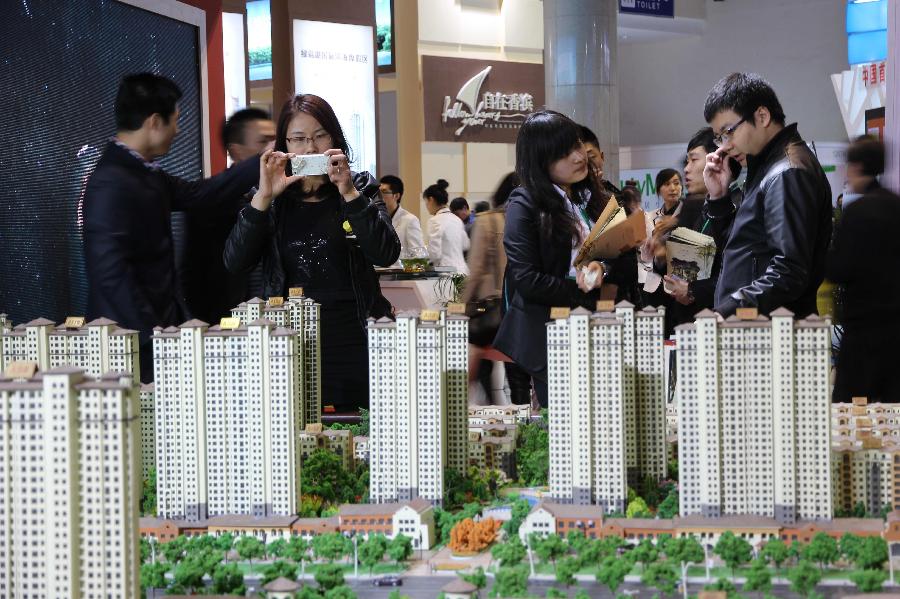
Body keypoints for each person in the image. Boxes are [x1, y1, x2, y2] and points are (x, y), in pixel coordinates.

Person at [223, 93, 400, 412]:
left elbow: (385, 252)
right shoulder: (269, 198)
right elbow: (235, 261)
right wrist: (264, 197)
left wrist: (349, 193)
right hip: (291, 341)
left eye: (320, 136)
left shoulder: (361, 187)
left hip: (354, 338)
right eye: (299, 139)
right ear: (284, 145)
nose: (311, 148)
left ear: (335, 139)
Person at [83, 73, 259, 383]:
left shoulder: (142, 171)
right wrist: (153, 336)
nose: (177, 131)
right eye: (175, 121)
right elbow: (110, 273)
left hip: (155, 336)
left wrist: (262, 162)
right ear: (154, 121)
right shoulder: (111, 180)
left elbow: (200, 195)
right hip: (130, 348)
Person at [494, 110, 633, 407]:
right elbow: (527, 279)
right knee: (564, 426)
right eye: (564, 153)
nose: (578, 156)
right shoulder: (524, 203)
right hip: (551, 335)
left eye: (577, 145)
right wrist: (581, 290)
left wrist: (602, 268)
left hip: (592, 328)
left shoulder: (589, 197)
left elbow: (614, 252)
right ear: (540, 161)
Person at [704, 72, 832, 317]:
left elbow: (788, 272)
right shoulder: (767, 168)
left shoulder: (787, 173)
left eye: (728, 131)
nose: (724, 145)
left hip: (772, 336)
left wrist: (726, 313)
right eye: (719, 137)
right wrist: (719, 198)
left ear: (762, 116)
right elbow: (742, 252)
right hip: (760, 332)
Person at [184, 108, 276, 324]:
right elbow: (194, 275)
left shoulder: (287, 194)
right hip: (231, 323)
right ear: (236, 151)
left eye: (275, 140)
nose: (273, 148)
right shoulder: (210, 203)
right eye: (263, 141)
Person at [827, 136, 900, 402]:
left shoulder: (856, 212)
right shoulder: (896, 205)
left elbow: (838, 269)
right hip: (895, 332)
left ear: (856, 166)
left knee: (852, 411)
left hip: (862, 334)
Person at [663, 128, 742, 322]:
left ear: (717, 160)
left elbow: (739, 277)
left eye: (693, 160)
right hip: (694, 323)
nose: (686, 169)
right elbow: (689, 271)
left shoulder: (738, 207)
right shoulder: (702, 208)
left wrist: (692, 290)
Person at [461, 172, 517, 404]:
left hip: (492, 310)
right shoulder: (532, 219)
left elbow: (475, 269)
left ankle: (486, 409)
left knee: (475, 350)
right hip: (520, 310)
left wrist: (461, 305)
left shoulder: (487, 221)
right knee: (518, 377)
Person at [640, 168, 683, 314]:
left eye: (676, 183)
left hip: (680, 281)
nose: (672, 188)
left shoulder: (688, 213)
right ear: (658, 190)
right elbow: (644, 253)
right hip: (655, 281)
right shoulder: (649, 217)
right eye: (666, 184)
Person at [424, 180, 470, 274]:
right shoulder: (457, 219)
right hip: (463, 271)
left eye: (426, 202)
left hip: (446, 274)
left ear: (431, 200)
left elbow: (434, 253)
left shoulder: (434, 221)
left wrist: (423, 260)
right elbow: (466, 244)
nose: (426, 206)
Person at [379, 174, 424, 267]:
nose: (379, 196)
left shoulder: (410, 220)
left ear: (396, 196)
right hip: (380, 275)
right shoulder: (376, 218)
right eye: (378, 192)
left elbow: (418, 254)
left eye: (384, 192)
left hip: (401, 276)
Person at [579, 124, 621, 197]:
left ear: (602, 157)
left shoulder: (613, 193)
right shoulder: (567, 197)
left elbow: (617, 208)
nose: (588, 164)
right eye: (580, 160)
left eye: (591, 157)